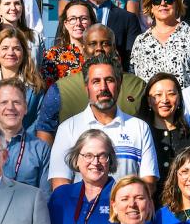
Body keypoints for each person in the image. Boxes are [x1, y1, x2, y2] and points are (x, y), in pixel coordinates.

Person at [46, 53, 158, 187]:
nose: (103, 87)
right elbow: (60, 184)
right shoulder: (68, 128)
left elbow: (148, 183)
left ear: (119, 84)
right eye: (96, 81)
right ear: (86, 88)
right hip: (83, 208)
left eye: (109, 80)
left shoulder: (139, 127)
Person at [130, 0, 190, 87]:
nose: (163, 3)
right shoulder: (141, 41)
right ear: (151, 7)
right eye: (157, 1)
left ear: (177, 5)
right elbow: (135, 79)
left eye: (169, 0)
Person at [0, 80, 50, 188]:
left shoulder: (41, 149)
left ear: (25, 108)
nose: (10, 107)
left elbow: (44, 198)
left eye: (16, 102)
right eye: (4, 102)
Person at [143, 73, 190, 179]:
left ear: (179, 98)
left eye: (171, 94)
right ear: (149, 101)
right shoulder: (142, 135)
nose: (165, 100)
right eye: (158, 95)